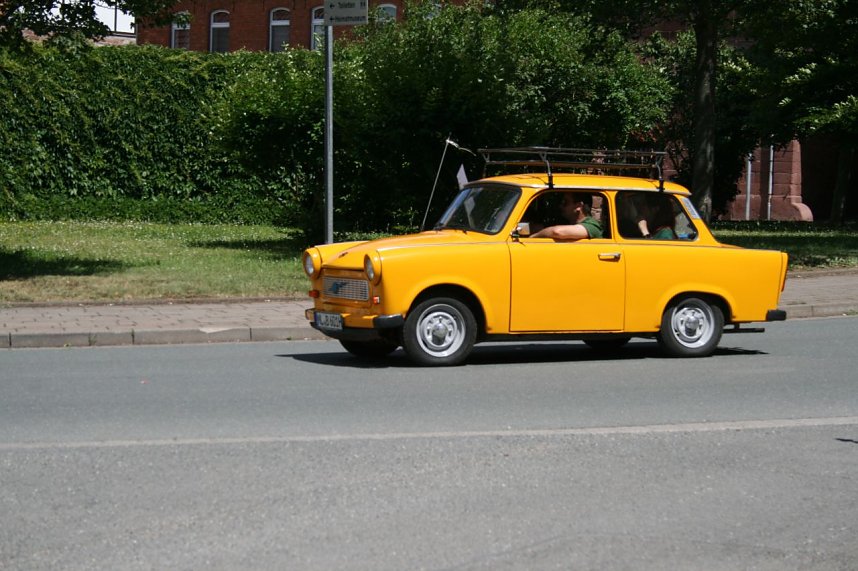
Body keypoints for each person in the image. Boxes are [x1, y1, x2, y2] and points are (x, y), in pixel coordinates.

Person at [531, 192, 602, 240]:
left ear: (578, 206)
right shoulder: (568, 222)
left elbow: (557, 232)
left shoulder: (592, 226)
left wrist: (533, 237)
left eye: (565, 202)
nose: (560, 206)